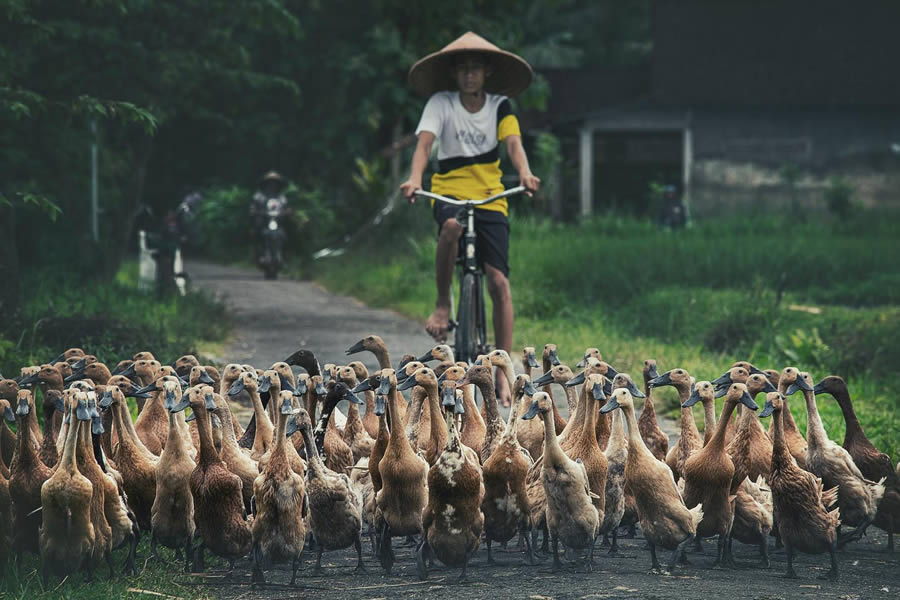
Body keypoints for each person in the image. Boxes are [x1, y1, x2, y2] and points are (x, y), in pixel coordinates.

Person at [400, 32, 540, 406]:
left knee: (498, 281)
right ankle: (444, 303)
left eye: (475, 68)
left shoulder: (500, 105)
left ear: (487, 71)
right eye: (462, 69)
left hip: (492, 196)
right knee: (450, 227)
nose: (468, 75)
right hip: (448, 191)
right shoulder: (440, 103)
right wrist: (415, 178)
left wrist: (524, 173)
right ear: (454, 74)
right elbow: (424, 145)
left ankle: (503, 371)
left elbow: (514, 145)